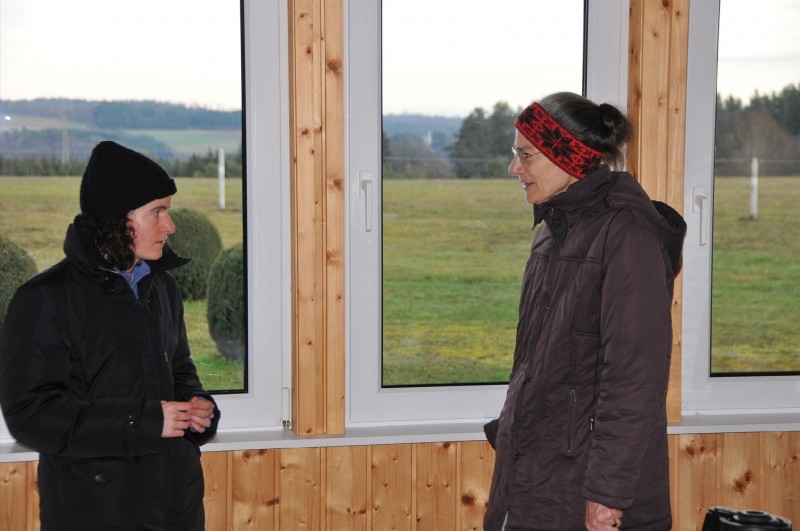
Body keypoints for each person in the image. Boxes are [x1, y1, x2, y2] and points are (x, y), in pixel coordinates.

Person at [482, 93, 686, 531]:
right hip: (536, 475)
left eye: (525, 155)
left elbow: (635, 378)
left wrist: (608, 495)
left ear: (567, 156)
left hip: (590, 492)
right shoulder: (551, 232)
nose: (514, 168)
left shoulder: (627, 235)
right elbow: (539, 362)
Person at [0, 140, 221, 530]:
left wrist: (197, 406)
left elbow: (180, 368)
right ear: (119, 220)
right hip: (98, 511)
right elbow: (31, 415)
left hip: (177, 504)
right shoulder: (46, 298)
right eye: (157, 212)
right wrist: (143, 421)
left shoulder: (162, 286)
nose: (170, 226)